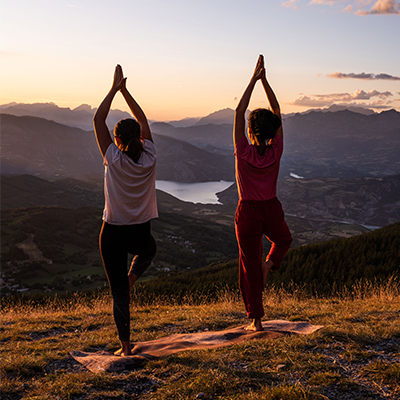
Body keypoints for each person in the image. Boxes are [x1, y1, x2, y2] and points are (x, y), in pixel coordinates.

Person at [93, 65, 158, 356]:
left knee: (119, 293)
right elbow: (143, 119)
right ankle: (132, 278)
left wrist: (113, 88)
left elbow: (98, 119)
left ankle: (126, 348)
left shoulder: (112, 159)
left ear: (117, 142)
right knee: (149, 250)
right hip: (140, 231)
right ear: (140, 140)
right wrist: (126, 91)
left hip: (113, 233)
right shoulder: (150, 156)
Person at [234, 55, 293, 331]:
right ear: (272, 133)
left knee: (249, 266)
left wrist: (253, 79)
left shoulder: (243, 151)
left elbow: (238, 111)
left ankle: (256, 321)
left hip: (248, 211)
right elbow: (277, 110)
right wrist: (265, 80)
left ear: (249, 130)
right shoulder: (276, 150)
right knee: (283, 240)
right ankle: (270, 264)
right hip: (271, 207)